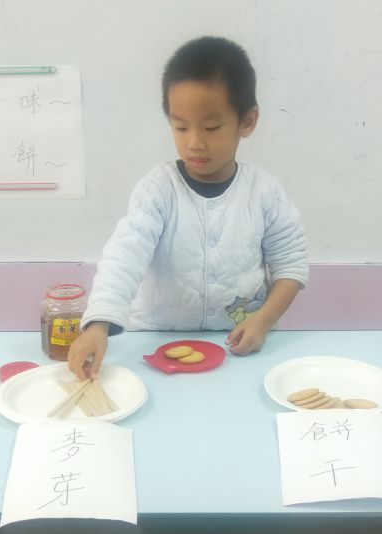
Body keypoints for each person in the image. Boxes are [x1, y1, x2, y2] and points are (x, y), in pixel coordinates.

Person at [67, 36, 308, 380]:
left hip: (239, 348)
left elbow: (291, 266)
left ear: (247, 121)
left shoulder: (264, 191)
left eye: (211, 127)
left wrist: (263, 321)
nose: (194, 142)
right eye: (180, 127)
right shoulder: (158, 188)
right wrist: (97, 326)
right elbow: (124, 256)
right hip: (154, 345)